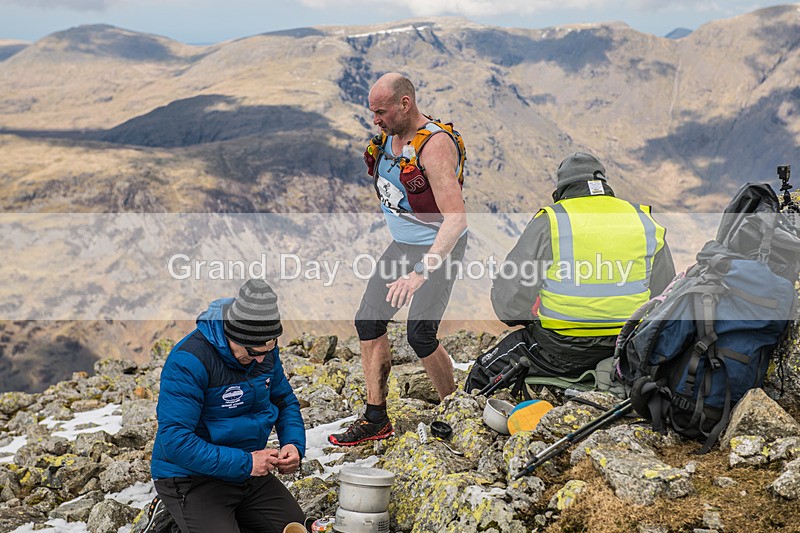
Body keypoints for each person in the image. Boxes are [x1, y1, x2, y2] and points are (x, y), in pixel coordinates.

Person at [329, 73, 468, 446]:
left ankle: (454, 409)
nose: (375, 120)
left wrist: (423, 271)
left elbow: (456, 218)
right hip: (404, 246)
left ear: (405, 104)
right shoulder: (389, 139)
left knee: (420, 334)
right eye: (373, 112)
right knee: (368, 321)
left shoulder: (434, 147)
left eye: (381, 111)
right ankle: (376, 419)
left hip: (439, 248)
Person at [491, 152, 676, 377]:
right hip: (628, 348)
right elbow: (666, 294)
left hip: (561, 350)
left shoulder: (552, 219)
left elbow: (509, 302)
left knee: (482, 373)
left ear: (561, 190)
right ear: (603, 183)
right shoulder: (643, 219)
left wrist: (528, 321)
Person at [149, 279, 307, 533]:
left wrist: (293, 444)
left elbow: (284, 400)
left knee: (295, 528)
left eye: (269, 349)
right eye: (254, 351)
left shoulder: (263, 349)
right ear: (233, 336)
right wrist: (246, 462)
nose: (261, 359)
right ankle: (173, 517)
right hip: (191, 478)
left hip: (247, 471)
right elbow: (175, 441)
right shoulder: (189, 361)